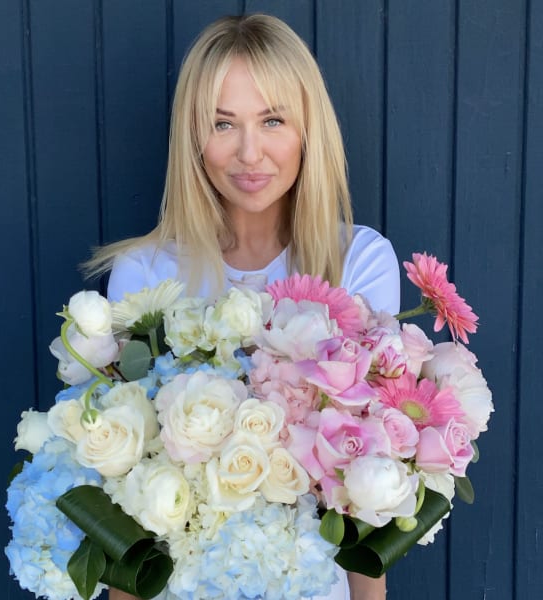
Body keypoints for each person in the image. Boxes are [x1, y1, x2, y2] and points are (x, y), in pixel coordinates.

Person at [87, 13, 397, 600]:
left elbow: (367, 489)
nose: (250, 153)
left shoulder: (359, 262)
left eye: (272, 120)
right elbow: (126, 496)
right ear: (194, 138)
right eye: (223, 123)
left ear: (307, 130)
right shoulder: (144, 274)